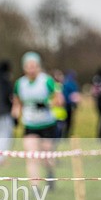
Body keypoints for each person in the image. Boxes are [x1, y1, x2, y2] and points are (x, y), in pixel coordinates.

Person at [12, 52, 61, 189]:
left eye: (34, 66)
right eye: (28, 66)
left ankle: (50, 174)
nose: (31, 69)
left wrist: (47, 104)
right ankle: (35, 187)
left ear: (39, 66)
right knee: (32, 156)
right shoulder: (20, 84)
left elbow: (59, 100)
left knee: (46, 157)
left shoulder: (46, 81)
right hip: (30, 124)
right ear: (24, 68)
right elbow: (17, 102)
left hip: (47, 124)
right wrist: (15, 115)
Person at [61, 70, 81, 137]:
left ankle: (64, 134)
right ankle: (66, 134)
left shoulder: (64, 83)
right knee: (68, 121)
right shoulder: (73, 84)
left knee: (64, 121)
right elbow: (75, 95)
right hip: (68, 105)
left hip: (64, 105)